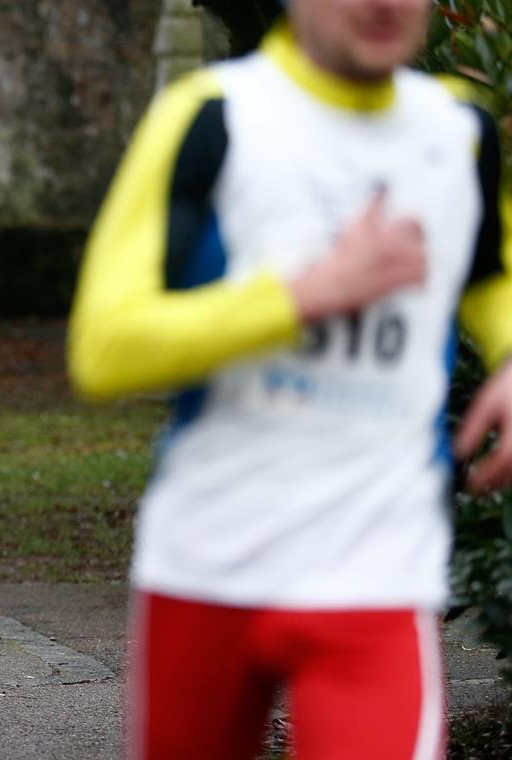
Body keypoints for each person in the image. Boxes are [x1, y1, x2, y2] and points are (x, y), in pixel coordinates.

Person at [68, 0, 512, 757]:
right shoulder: (212, 117)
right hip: (208, 564)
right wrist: (307, 294)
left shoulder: (458, 130)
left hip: (378, 569)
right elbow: (104, 349)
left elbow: (487, 279)